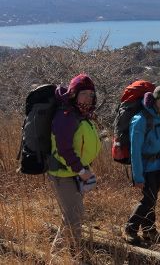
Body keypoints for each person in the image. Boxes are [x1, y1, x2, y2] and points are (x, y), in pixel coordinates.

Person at [48, 73, 101, 255]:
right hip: (64, 173)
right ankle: (68, 255)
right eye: (84, 93)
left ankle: (63, 252)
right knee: (75, 215)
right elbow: (64, 148)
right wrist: (80, 169)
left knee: (71, 215)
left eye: (91, 94)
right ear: (74, 93)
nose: (88, 97)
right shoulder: (66, 115)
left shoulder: (82, 114)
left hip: (75, 171)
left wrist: (84, 168)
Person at [124, 85, 160, 245]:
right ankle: (130, 229)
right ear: (154, 100)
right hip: (145, 167)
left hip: (159, 166)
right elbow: (135, 151)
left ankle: (148, 229)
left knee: (152, 199)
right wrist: (138, 176)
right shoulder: (141, 119)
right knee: (148, 199)